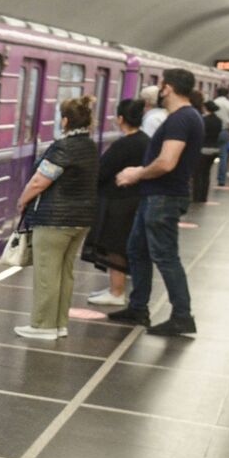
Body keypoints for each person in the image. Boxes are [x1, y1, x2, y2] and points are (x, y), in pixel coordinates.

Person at [110, 67, 203, 337]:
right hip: (156, 195)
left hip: (163, 197)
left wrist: (136, 173)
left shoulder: (181, 120)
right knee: (137, 250)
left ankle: (182, 316)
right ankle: (138, 307)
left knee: (165, 256)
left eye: (162, 85)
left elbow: (166, 162)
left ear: (169, 88)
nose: (160, 90)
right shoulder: (185, 117)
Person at [14, 95, 98, 340]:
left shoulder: (64, 147)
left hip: (55, 219)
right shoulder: (89, 145)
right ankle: (59, 323)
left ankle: (42, 325)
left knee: (46, 272)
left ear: (65, 120)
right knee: (65, 271)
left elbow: (41, 180)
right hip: (81, 220)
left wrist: (23, 200)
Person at [85, 98, 148, 308]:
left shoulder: (123, 144)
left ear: (121, 119)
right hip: (136, 200)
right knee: (124, 247)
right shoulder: (146, 140)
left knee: (115, 248)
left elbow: (101, 172)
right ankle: (116, 288)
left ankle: (116, 291)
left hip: (119, 204)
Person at [196, 92, 224, 203]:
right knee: (206, 173)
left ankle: (197, 196)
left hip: (203, 149)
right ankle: (204, 196)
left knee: (199, 174)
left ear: (206, 108)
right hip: (214, 149)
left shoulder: (203, 120)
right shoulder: (219, 121)